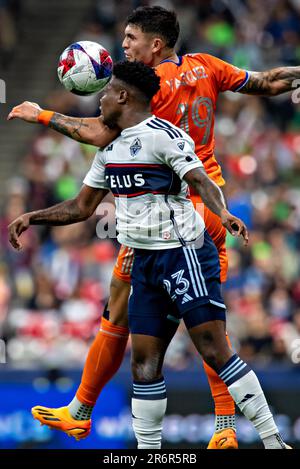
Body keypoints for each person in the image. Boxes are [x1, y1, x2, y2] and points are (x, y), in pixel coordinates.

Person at [7, 5, 299, 449]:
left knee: (123, 307)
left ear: (155, 44)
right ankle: (223, 428)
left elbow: (99, 133)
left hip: (173, 212)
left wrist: (43, 115)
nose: (123, 46)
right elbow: (266, 81)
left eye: (130, 38)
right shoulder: (206, 65)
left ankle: (83, 408)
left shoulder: (146, 92)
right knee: (207, 319)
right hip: (209, 203)